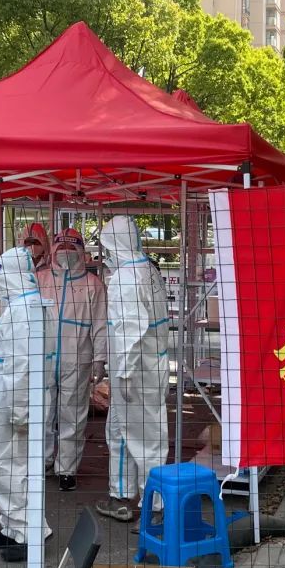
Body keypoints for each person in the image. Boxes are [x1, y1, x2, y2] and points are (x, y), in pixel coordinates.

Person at [0, 246, 56, 562]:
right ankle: (13, 527)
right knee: (17, 467)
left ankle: (27, 534)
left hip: (13, 404)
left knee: (6, 468)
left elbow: (23, 366)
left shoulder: (23, 311)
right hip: (16, 401)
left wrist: (20, 410)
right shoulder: (30, 305)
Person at [95, 216, 170, 523]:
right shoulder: (147, 269)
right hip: (148, 365)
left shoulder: (126, 279)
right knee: (120, 433)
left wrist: (123, 373)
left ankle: (155, 508)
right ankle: (121, 495)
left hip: (136, 372)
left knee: (146, 440)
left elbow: (129, 333)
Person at [40, 229, 106, 491]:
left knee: (73, 414)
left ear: (81, 252)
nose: (66, 252)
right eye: (61, 247)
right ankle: (42, 461)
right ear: (53, 250)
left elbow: (100, 324)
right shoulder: (40, 279)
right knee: (43, 412)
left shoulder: (93, 284)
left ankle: (66, 469)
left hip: (78, 357)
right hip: (43, 357)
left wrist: (100, 358)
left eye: (72, 248)